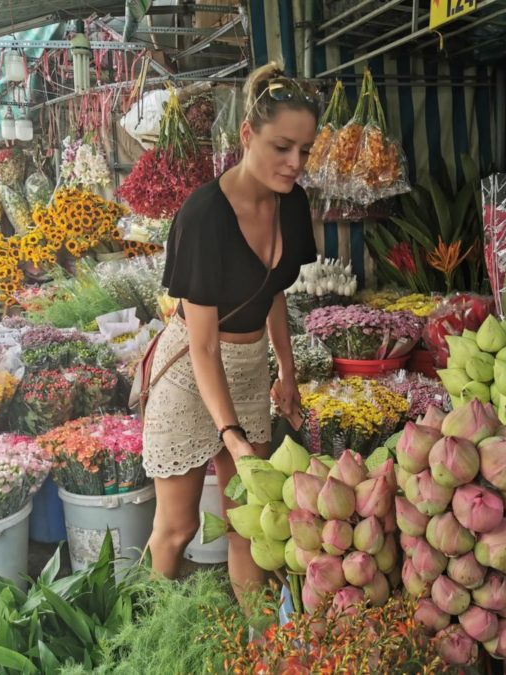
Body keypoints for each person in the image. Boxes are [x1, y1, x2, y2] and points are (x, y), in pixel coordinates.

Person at [142, 63, 320, 602]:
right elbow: (200, 345)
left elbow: (273, 292)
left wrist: (286, 371)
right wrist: (232, 433)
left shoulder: (294, 204)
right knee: (177, 530)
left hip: (246, 370)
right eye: (282, 147)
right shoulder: (203, 215)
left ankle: (261, 640)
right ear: (248, 135)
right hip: (190, 373)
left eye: (305, 151)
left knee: (250, 524)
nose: (294, 164)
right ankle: (150, 637)